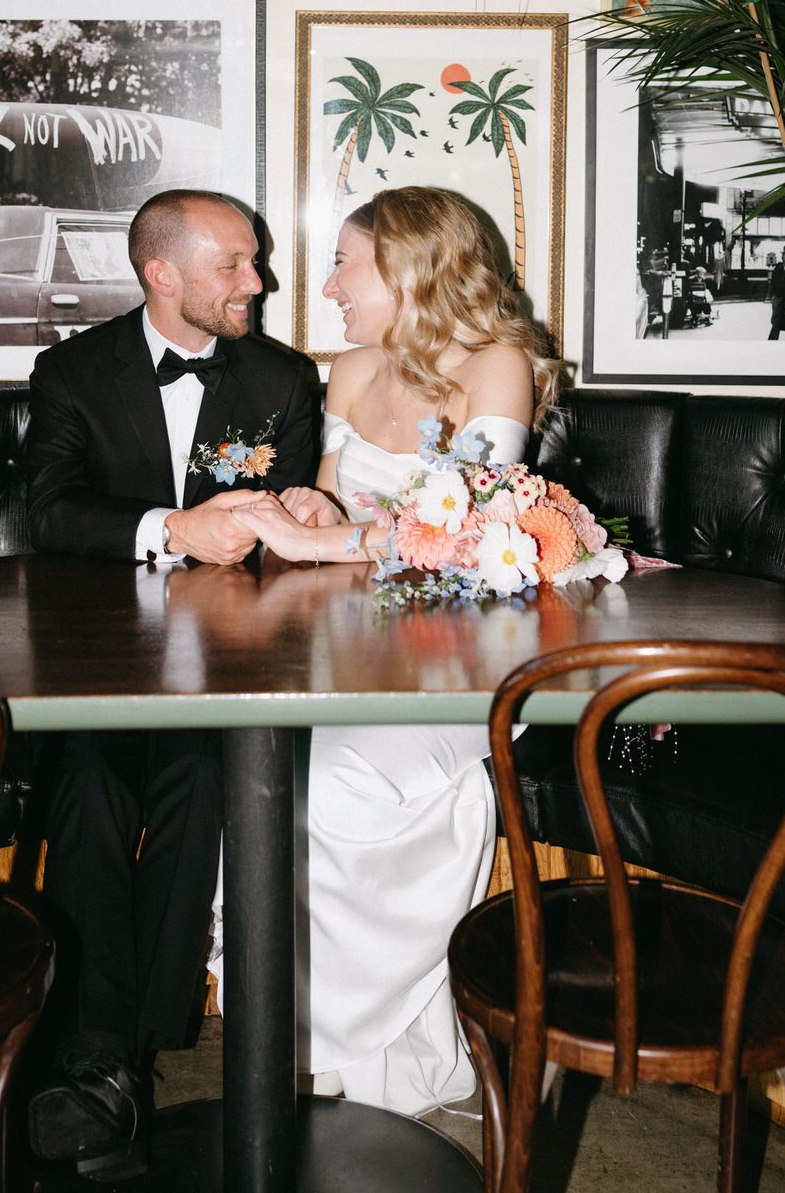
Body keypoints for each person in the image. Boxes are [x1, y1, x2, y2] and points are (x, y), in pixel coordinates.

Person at [230, 186, 562, 1118]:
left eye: (344, 263)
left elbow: (465, 530)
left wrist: (317, 544)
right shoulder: (347, 370)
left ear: (410, 270)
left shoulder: (496, 366)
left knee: (333, 787)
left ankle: (343, 1038)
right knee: (252, 777)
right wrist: (310, 511)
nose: (327, 286)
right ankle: (316, 1043)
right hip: (348, 644)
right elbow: (338, 512)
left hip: (462, 659)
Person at [24, 189, 316, 1182]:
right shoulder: (72, 371)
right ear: (161, 274)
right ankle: (101, 1054)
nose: (256, 281)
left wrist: (295, 516)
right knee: (88, 787)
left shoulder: (281, 377)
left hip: (230, 658)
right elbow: (49, 512)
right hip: (98, 658)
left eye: (252, 261)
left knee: (201, 779)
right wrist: (169, 529)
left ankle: (118, 1054)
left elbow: (287, 531)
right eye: (233, 263)